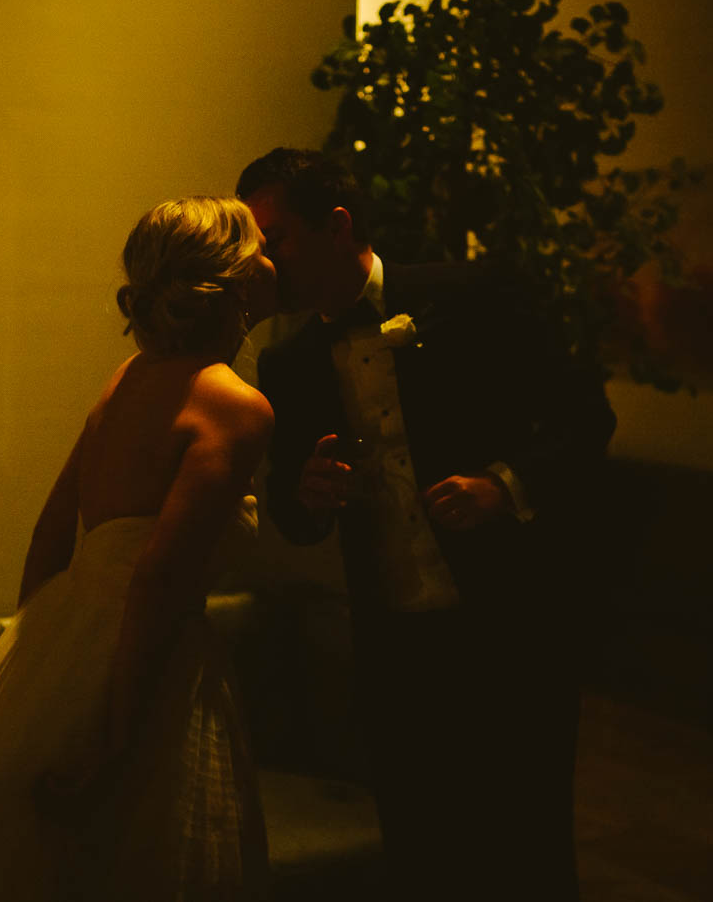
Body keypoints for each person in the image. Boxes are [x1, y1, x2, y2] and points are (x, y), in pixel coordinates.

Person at [241, 148, 616, 901]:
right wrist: (307, 496)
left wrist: (501, 487)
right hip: (395, 648)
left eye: (273, 237)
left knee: (528, 844)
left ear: (338, 226)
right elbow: (291, 513)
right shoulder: (288, 364)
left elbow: (586, 417)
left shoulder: (475, 296)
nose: (262, 262)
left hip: (513, 629)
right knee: (417, 849)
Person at [0, 197, 278, 901]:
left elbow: (48, 532)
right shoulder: (235, 405)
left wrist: (29, 658)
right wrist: (115, 738)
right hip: (148, 661)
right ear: (236, 280)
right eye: (259, 248)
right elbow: (158, 579)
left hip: (67, 631)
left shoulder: (124, 381)